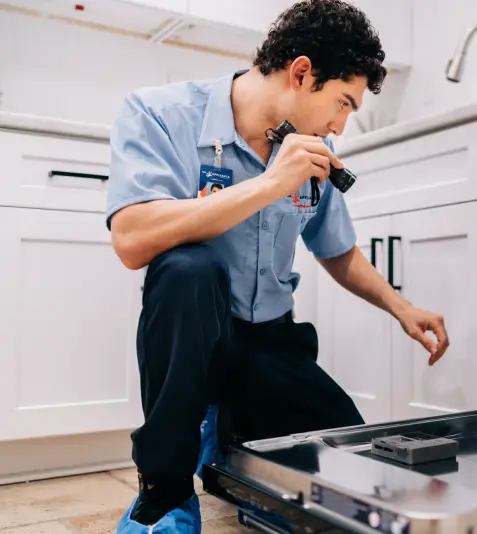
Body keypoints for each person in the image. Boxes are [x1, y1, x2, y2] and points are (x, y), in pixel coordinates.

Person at [105, 0, 450, 532]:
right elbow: (130, 239)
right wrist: (270, 184)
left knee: (347, 469)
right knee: (188, 270)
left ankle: (225, 430)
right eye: (342, 103)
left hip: (269, 338)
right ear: (302, 73)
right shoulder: (160, 114)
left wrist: (402, 308)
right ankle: (165, 488)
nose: (341, 123)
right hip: (195, 337)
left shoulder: (314, 150)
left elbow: (337, 249)